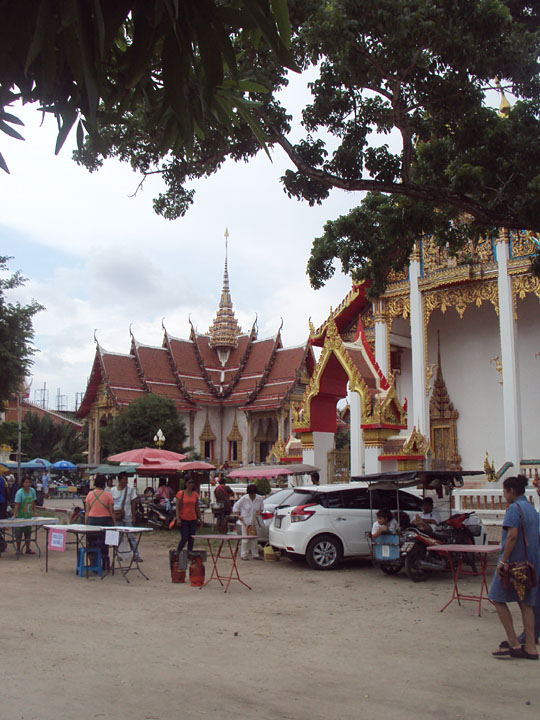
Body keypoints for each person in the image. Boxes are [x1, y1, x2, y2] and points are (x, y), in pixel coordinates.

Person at [489, 475, 539, 660]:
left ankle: (513, 642)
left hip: (513, 564)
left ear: (511, 491)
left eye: (504, 491)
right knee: (526, 604)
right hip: (530, 564)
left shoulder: (514, 509)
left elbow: (512, 536)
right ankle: (531, 647)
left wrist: (502, 562)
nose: (504, 495)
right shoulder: (531, 509)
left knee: (496, 598)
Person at [85, 474, 116, 571]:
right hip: (105, 521)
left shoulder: (90, 494)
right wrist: (115, 523)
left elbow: (87, 511)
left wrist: (86, 524)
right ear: (104, 484)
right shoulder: (108, 495)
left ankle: (93, 563)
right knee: (105, 543)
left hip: (92, 521)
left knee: (91, 543)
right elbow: (111, 511)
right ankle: (105, 564)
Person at [110, 471, 142, 561]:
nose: (126, 481)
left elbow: (133, 503)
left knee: (131, 536)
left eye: (127, 479)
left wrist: (133, 516)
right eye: (125, 479)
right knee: (118, 537)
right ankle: (117, 554)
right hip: (117, 516)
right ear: (120, 480)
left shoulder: (130, 490)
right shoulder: (113, 490)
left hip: (127, 515)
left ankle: (136, 554)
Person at [234, 484, 264, 560]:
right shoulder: (244, 499)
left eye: (253, 494)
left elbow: (262, 508)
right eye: (251, 494)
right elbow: (236, 507)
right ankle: (243, 555)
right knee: (245, 538)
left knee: (254, 538)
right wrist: (238, 516)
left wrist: (259, 511)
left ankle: (255, 555)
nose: (252, 495)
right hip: (245, 521)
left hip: (254, 521)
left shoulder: (259, 498)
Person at [176, 476, 202, 554]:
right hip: (183, 518)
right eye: (189, 483)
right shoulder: (181, 493)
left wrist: (200, 518)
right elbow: (177, 507)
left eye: (192, 483)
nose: (191, 484)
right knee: (184, 538)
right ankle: (178, 552)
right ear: (186, 484)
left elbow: (197, 507)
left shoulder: (195, 494)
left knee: (191, 538)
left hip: (193, 519)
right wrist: (178, 518)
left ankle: (189, 552)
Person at [13, 475, 37, 555]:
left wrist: (35, 512)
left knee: (28, 533)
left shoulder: (32, 491)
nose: (28, 484)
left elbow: (33, 502)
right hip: (20, 516)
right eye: (26, 482)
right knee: (19, 534)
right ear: (23, 483)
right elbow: (17, 504)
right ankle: (18, 549)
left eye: (29, 482)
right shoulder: (19, 492)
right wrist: (15, 514)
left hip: (28, 515)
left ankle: (27, 548)